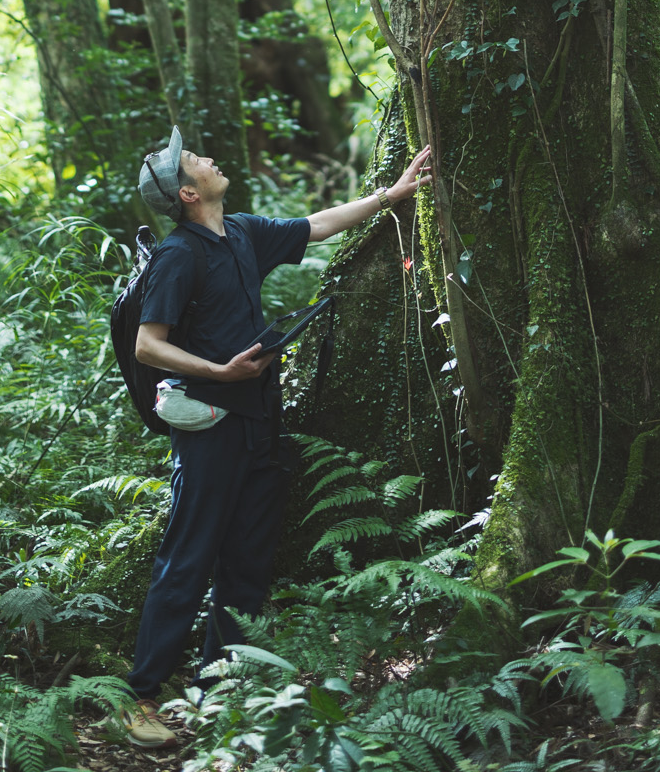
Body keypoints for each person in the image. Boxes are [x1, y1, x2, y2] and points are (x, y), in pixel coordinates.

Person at [123, 127, 433, 749]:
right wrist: (220, 372)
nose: (209, 158)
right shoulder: (179, 255)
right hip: (209, 426)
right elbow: (147, 344)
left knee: (247, 563)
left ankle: (219, 692)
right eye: (196, 160)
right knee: (188, 557)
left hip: (261, 427)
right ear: (187, 192)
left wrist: (391, 195)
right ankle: (141, 698)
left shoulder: (238, 232)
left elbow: (316, 224)